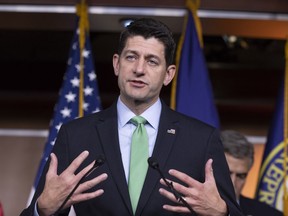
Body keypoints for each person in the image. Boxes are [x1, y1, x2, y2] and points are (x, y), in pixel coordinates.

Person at [21, 18, 243, 216]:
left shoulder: (201, 139)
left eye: (152, 61)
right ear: (117, 64)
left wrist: (223, 213)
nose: (139, 69)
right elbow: (42, 207)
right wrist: (42, 210)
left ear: (168, 74)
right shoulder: (76, 135)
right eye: (131, 57)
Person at [220, 130, 282, 216]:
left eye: (241, 176)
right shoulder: (194, 210)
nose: (232, 183)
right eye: (227, 173)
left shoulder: (270, 214)